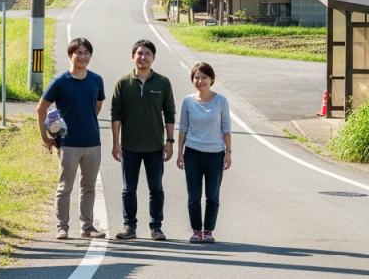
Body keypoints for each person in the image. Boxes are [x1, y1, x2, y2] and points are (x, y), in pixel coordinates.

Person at [37, 37, 107, 241]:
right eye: (78, 52)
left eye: (86, 53)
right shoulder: (60, 81)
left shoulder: (96, 80)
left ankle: (87, 226)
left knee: (89, 187)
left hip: (93, 143)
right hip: (68, 144)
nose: (83, 56)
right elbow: (41, 109)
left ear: (90, 56)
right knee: (64, 187)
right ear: (70, 55)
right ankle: (62, 227)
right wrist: (45, 138)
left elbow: (97, 106)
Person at [111, 39, 175, 241]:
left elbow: (170, 113)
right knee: (128, 189)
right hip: (129, 146)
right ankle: (129, 226)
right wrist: (115, 143)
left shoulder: (163, 82)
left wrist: (170, 141)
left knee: (156, 189)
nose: (143, 57)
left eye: (148, 54)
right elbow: (116, 115)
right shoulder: (123, 83)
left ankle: (156, 227)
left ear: (153, 57)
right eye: (140, 53)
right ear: (133, 57)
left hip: (155, 146)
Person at [176, 62, 232, 244]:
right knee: (193, 195)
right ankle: (196, 231)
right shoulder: (188, 101)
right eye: (196, 77)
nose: (200, 81)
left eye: (204, 77)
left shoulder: (221, 100)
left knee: (212, 195)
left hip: (215, 153)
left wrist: (228, 152)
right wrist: (180, 153)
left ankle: (208, 230)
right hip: (192, 152)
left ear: (212, 79)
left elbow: (226, 128)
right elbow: (183, 127)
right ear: (193, 80)